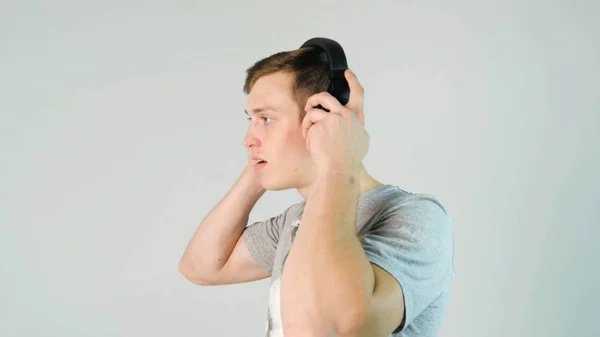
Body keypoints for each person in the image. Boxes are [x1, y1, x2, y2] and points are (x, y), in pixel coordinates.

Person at [179, 45, 456, 337]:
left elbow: (333, 325)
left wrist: (337, 162)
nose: (248, 139)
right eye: (251, 120)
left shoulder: (417, 217)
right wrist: (258, 165)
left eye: (266, 119)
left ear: (322, 117)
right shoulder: (297, 220)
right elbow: (202, 266)